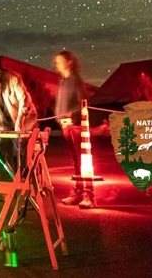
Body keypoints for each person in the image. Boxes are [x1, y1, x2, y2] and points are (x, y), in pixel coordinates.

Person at [0, 69, 38, 177]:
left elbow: (25, 100)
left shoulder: (13, 80)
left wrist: (20, 119)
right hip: (3, 125)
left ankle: (25, 175)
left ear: (0, 83)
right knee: (4, 148)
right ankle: (9, 177)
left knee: (23, 149)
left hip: (25, 118)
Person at [53, 50, 92, 208]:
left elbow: (83, 102)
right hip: (65, 126)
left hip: (75, 126)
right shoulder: (63, 81)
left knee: (82, 160)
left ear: (69, 62)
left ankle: (87, 194)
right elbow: (60, 105)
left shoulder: (75, 80)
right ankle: (78, 191)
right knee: (75, 160)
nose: (57, 64)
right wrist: (59, 119)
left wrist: (72, 117)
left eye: (60, 61)